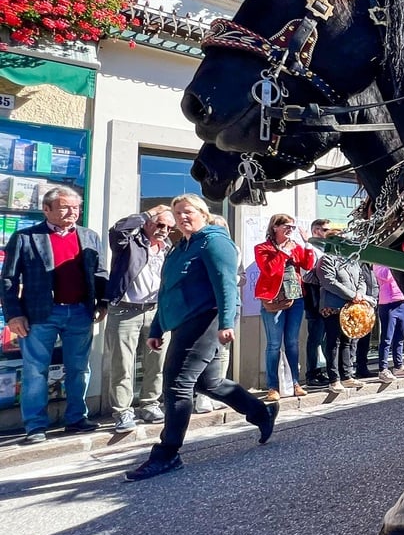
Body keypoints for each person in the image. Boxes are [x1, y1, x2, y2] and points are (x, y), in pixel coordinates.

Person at [125, 194, 277, 481]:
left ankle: (167, 453)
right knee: (210, 383)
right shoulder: (179, 246)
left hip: (205, 320)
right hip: (182, 322)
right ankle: (262, 413)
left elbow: (226, 283)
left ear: (204, 213)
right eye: (177, 213)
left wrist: (226, 321)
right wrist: (157, 328)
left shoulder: (214, 241)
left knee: (177, 385)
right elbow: (167, 290)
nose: (182, 217)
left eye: (188, 211)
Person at [2, 187, 108, 444]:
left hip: (80, 312)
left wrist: (102, 302)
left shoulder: (89, 236)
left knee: (79, 369)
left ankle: (76, 418)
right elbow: (8, 280)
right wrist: (14, 315)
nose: (72, 212)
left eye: (76, 207)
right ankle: (36, 426)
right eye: (64, 207)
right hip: (40, 315)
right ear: (46, 209)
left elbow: (101, 272)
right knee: (35, 370)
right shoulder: (26, 237)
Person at [104, 204, 174, 433]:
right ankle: (123, 411)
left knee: (157, 362)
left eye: (168, 227)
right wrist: (148, 212)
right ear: (148, 223)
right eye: (159, 224)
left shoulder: (168, 248)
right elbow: (118, 230)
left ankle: (150, 404)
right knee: (122, 364)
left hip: (156, 311)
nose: (163, 230)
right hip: (125, 310)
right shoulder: (129, 243)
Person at [254, 214, 315, 401]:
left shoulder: (294, 245)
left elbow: (307, 264)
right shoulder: (262, 248)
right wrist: (283, 252)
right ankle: (273, 386)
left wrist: (307, 244)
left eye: (292, 227)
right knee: (273, 344)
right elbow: (269, 270)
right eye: (286, 226)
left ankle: (294, 382)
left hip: (295, 298)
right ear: (275, 227)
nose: (290, 230)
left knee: (292, 343)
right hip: (274, 300)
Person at [314, 234, 377, 393]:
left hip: (352, 308)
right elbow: (329, 282)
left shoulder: (352, 260)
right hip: (333, 308)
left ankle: (347, 376)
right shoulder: (326, 260)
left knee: (348, 341)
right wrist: (352, 295)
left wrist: (360, 295)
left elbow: (361, 279)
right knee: (333, 343)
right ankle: (334, 379)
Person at [194, 214, 236, 414]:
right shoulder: (202, 247)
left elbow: (240, 276)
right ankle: (202, 397)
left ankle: (219, 393)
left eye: (222, 227)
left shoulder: (232, 248)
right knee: (206, 353)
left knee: (223, 352)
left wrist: (235, 279)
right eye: (214, 227)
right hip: (209, 307)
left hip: (230, 305)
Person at [373, 264, 404, 382]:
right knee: (387, 338)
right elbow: (385, 275)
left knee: (400, 336)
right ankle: (383, 369)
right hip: (388, 303)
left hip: (402, 301)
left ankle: (399, 366)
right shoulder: (377, 263)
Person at [302, 219, 331, 385]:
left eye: (326, 229)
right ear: (314, 231)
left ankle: (325, 371)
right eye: (321, 229)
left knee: (326, 339)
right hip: (315, 300)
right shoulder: (311, 249)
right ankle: (312, 373)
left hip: (327, 299)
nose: (324, 232)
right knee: (315, 338)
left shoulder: (325, 249)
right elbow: (306, 275)